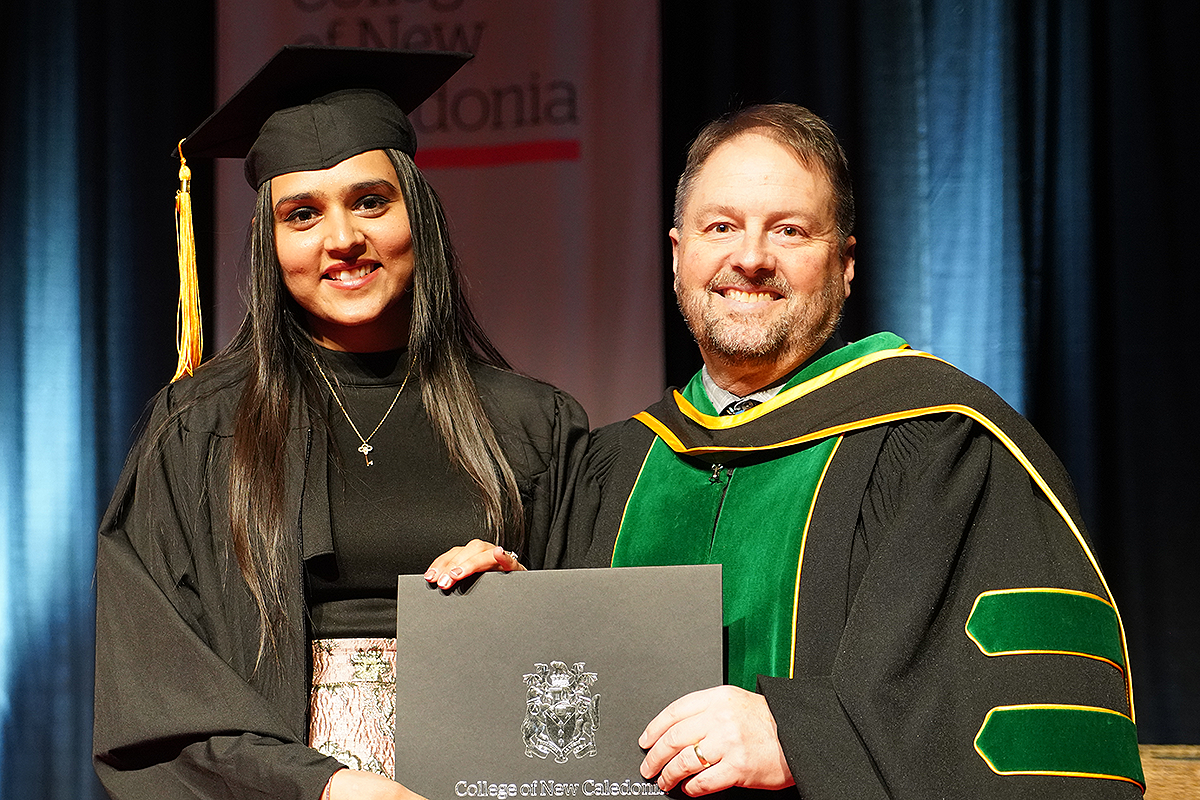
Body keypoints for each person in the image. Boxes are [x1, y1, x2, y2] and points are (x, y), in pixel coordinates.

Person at [435, 103, 1144, 798]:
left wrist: (806, 738)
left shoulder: (941, 445)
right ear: (679, 254)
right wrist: (517, 613)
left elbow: (1029, 723)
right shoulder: (611, 467)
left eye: (790, 230)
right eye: (721, 227)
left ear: (845, 264)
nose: (750, 258)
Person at [92, 46, 588, 800]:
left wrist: (529, 610)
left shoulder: (532, 426)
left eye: (370, 202)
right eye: (302, 214)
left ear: (417, 214)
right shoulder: (200, 430)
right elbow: (158, 688)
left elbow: (595, 673)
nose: (342, 239)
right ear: (270, 242)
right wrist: (323, 788)